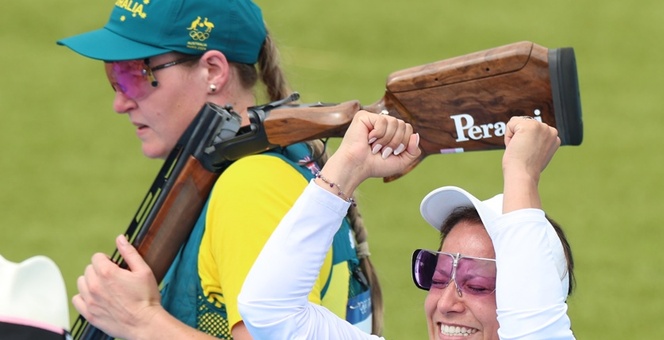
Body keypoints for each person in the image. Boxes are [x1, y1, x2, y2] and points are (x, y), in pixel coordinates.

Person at [57, 0, 383, 338]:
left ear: (213, 70)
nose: (119, 102)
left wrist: (142, 322)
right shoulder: (269, 163)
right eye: (114, 76)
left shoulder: (252, 184)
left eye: (134, 74)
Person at [238, 114, 576, 339]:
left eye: (477, 282)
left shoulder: (536, 319)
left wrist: (522, 175)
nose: (446, 302)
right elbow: (269, 309)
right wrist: (348, 167)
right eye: (438, 274)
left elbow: (534, 329)